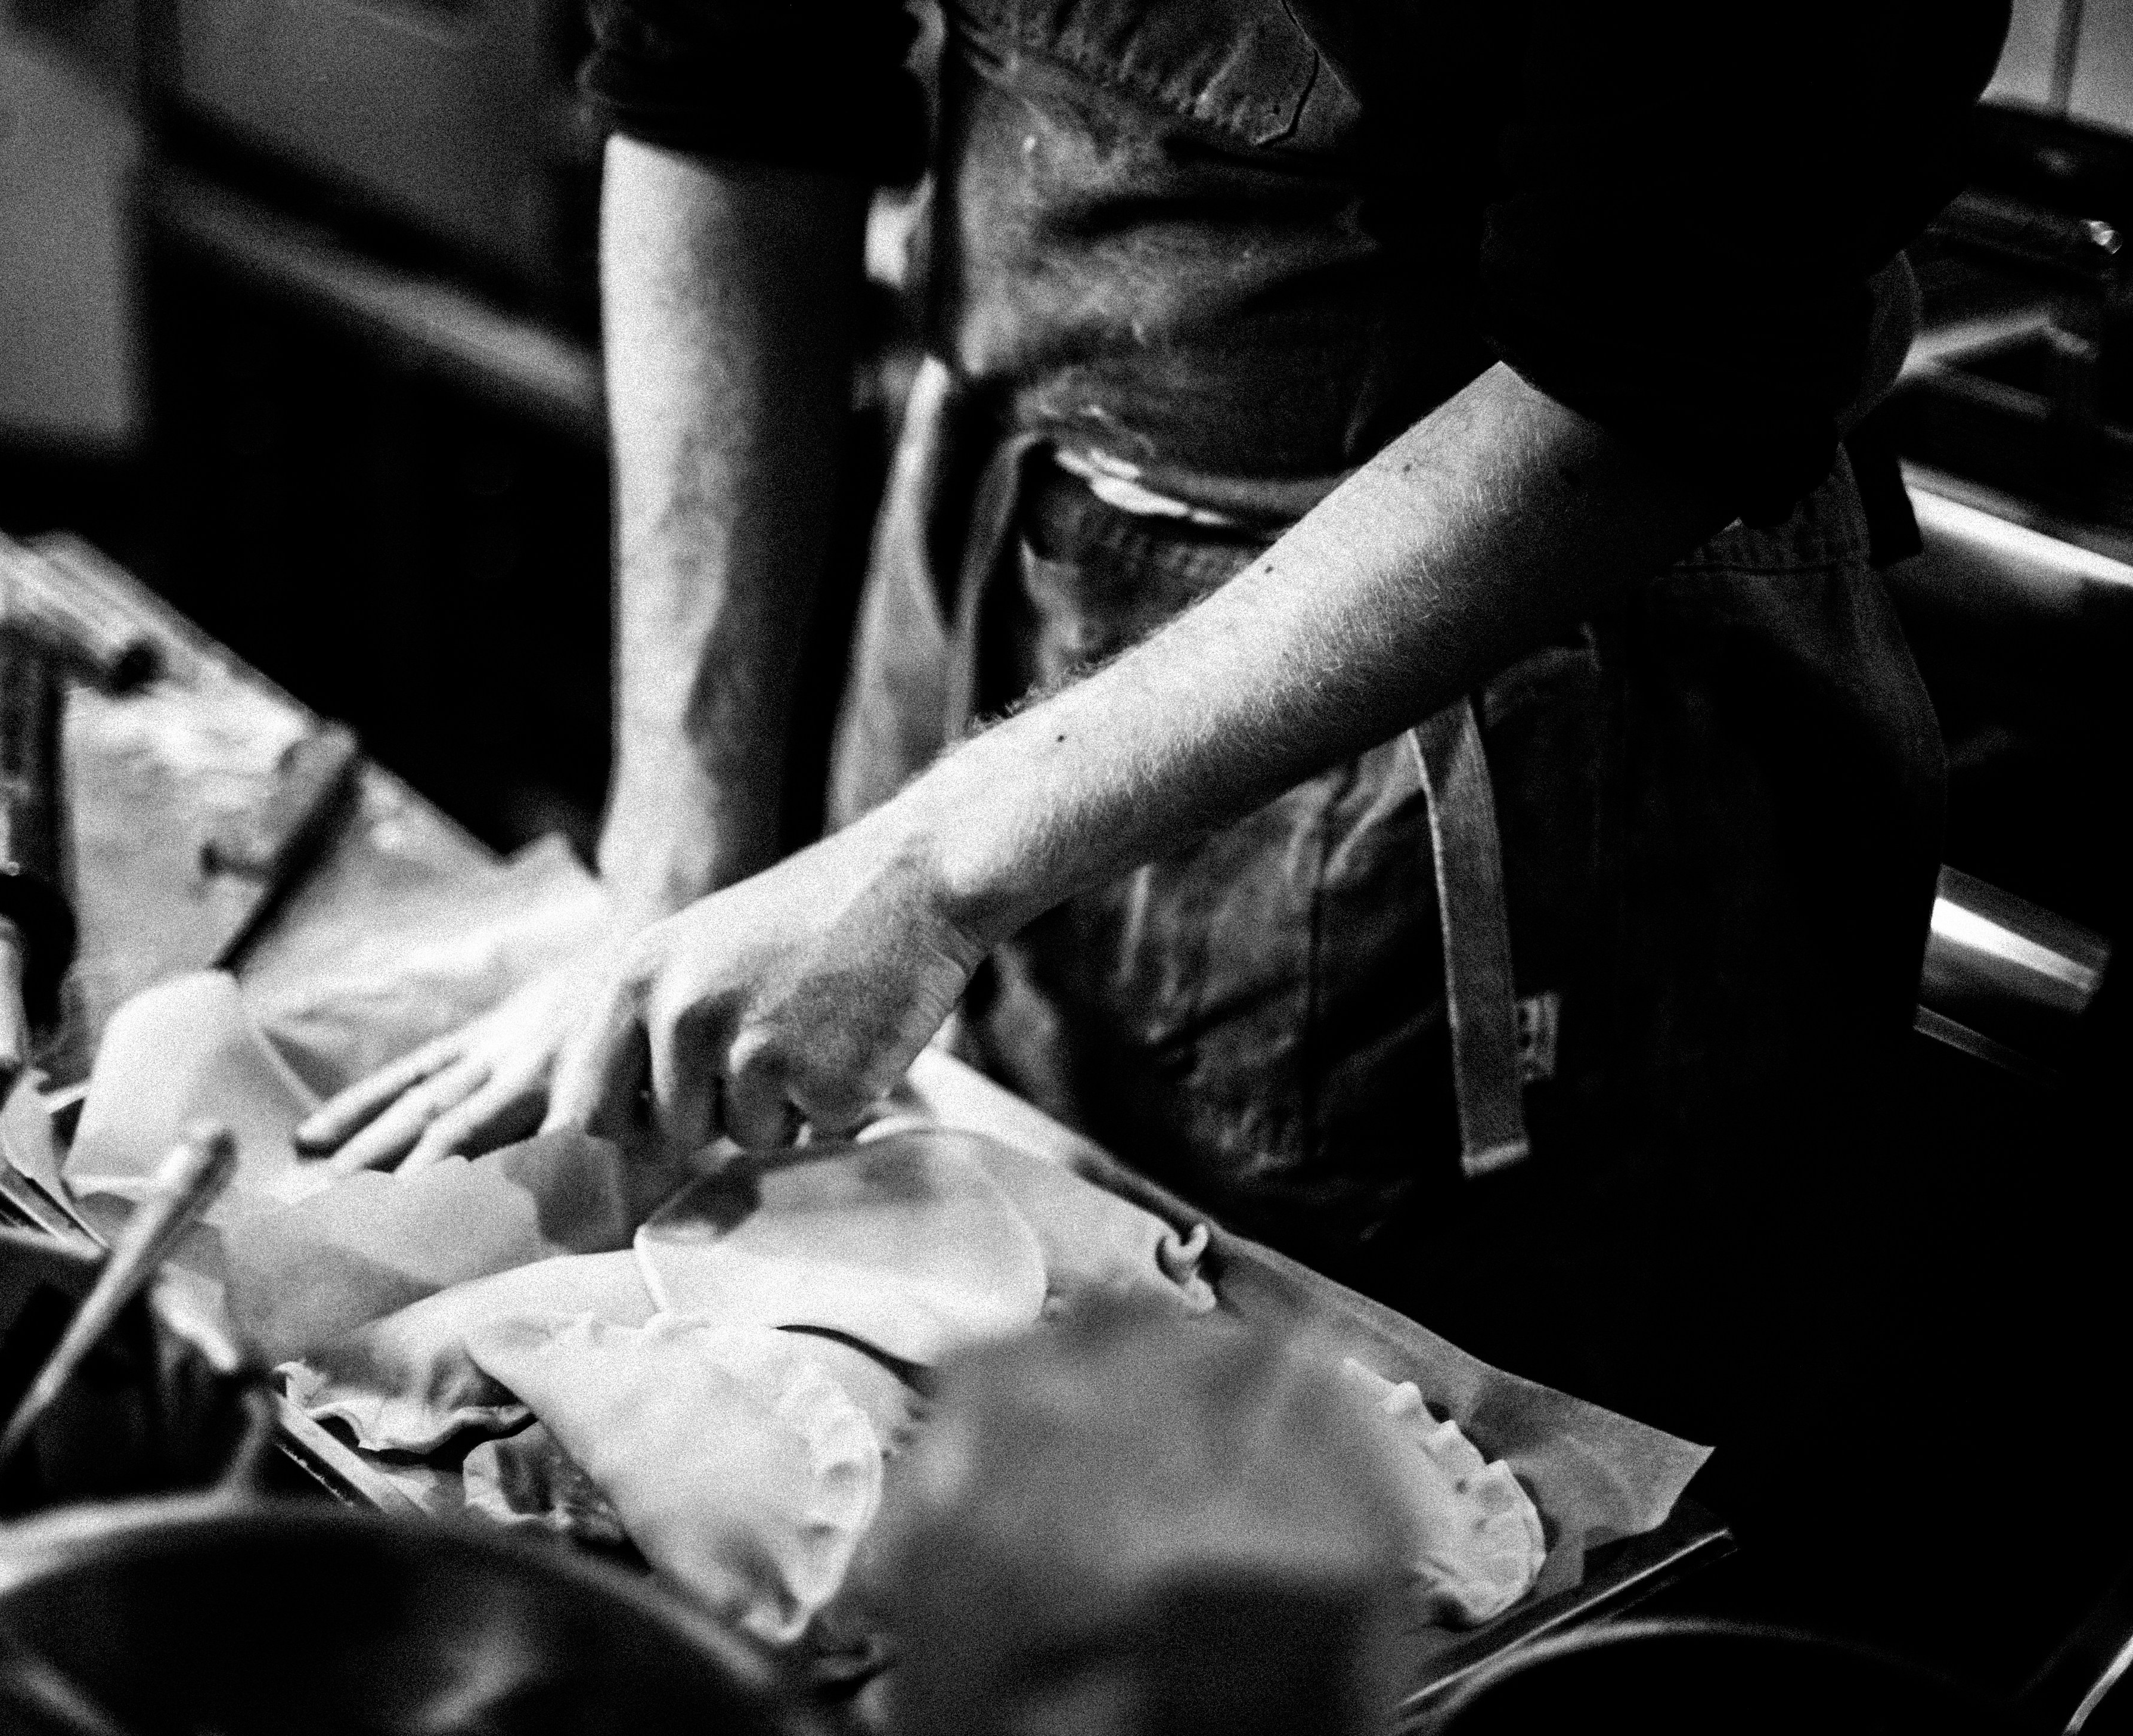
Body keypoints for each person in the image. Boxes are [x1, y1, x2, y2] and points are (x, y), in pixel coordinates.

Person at [299, 2, 2007, 1470]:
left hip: (1518, 744)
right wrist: (683, 848)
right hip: (996, 582)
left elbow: (1664, 372)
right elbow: (724, 85)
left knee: (1309, 1578)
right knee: (939, 1513)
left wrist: (926, 868)